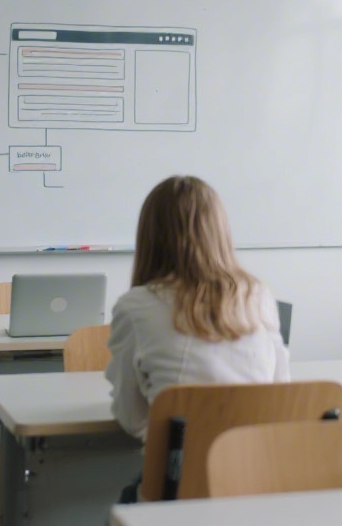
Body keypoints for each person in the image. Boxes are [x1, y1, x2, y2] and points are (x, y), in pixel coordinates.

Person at [107, 175, 290, 502]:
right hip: (257, 484)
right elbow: (279, 391)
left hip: (179, 491)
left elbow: (132, 419)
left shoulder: (135, 306)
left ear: (150, 235)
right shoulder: (259, 296)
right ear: (220, 231)